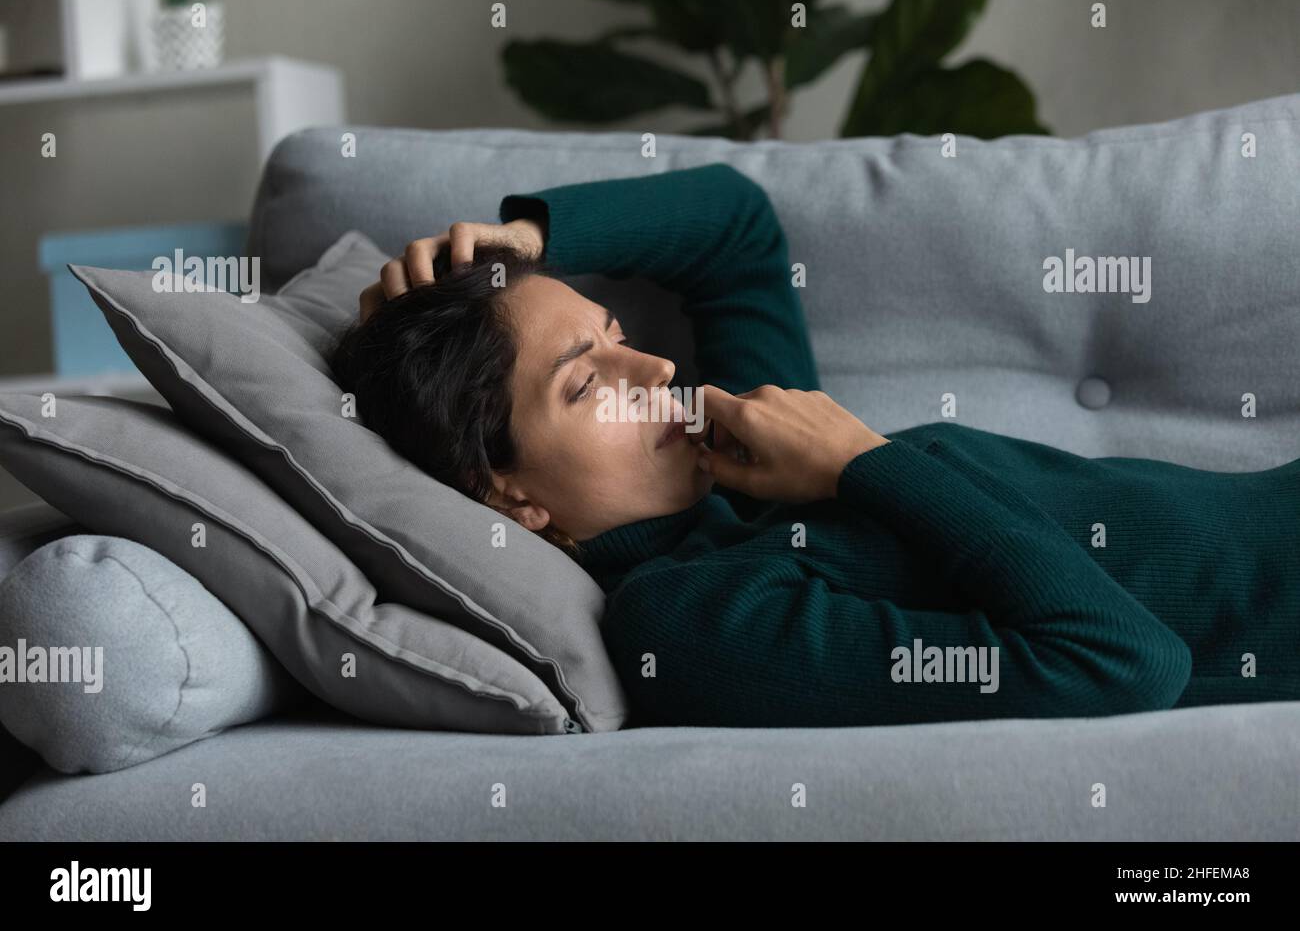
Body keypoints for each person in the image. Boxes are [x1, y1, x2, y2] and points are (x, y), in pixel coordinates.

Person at [329, 163, 1300, 728]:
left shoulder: (748, 458)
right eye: (584, 383)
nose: (657, 372)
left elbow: (735, 226)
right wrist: (861, 462)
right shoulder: (692, 614)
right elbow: (1125, 659)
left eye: (616, 334)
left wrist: (525, 237)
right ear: (507, 495)